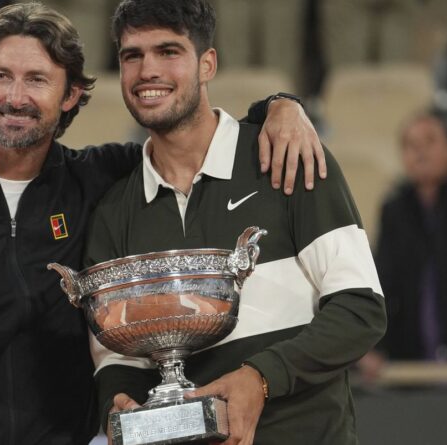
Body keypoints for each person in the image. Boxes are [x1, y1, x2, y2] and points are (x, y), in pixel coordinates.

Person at [0, 3, 325, 444]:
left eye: (37, 80)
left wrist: (281, 106)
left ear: (70, 95)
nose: (15, 98)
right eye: (0, 77)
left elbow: (192, 131)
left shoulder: (101, 180)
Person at [83, 1, 386, 444]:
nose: (148, 70)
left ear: (208, 64)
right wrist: (120, 404)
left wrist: (260, 377)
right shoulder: (113, 211)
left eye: (168, 51)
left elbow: (361, 309)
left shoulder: (288, 156)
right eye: (133, 55)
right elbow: (117, 360)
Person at [375, 111, 447, 362]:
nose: (420, 152)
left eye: (430, 141)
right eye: (411, 145)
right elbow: (383, 284)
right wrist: (374, 347)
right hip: (408, 358)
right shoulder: (394, 210)